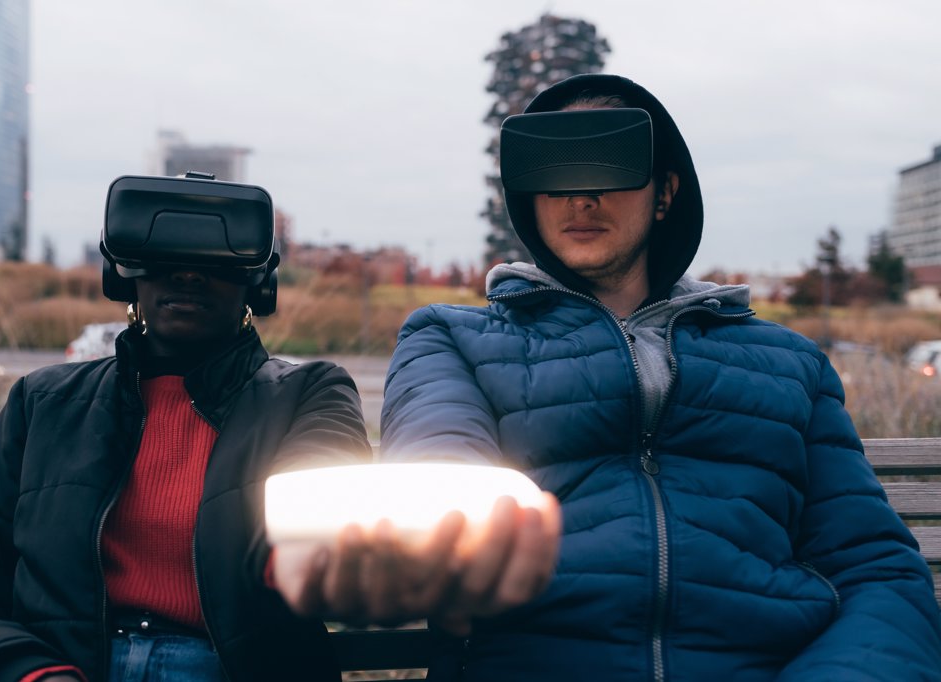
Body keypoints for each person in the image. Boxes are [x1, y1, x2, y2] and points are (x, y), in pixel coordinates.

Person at [380, 74, 941, 680]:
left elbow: (875, 572)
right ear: (528, 194)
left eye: (612, 163)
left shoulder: (790, 364)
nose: (582, 197)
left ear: (665, 191)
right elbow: (439, 488)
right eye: (556, 170)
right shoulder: (451, 340)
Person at [0, 174, 372, 682]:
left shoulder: (309, 395)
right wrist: (29, 674)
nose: (188, 275)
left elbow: (318, 535)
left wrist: (314, 556)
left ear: (257, 284)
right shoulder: (42, 404)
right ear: (122, 274)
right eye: (163, 256)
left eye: (216, 261)